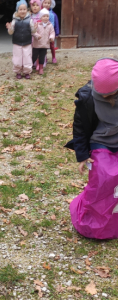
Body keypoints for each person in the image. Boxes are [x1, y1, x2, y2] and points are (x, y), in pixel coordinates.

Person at [65, 58, 118, 239]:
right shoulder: (87, 98)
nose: (105, 98)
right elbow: (80, 129)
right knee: (103, 176)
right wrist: (81, 156)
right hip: (100, 140)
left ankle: (113, 219)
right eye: (102, 94)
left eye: (110, 94)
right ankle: (88, 216)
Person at [6, 0, 37, 79]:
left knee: (27, 57)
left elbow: (32, 31)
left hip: (27, 42)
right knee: (17, 58)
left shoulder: (29, 20)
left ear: (27, 10)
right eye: (20, 9)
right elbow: (11, 32)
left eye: (24, 9)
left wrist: (34, 28)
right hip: (17, 43)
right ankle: (18, 71)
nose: (22, 11)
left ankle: (27, 72)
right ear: (17, 10)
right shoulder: (14, 21)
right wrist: (10, 28)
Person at [32, 8, 55, 75]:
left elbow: (52, 32)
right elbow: (33, 32)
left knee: (42, 56)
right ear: (41, 17)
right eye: (44, 16)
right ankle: (30, 66)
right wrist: (37, 36)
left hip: (45, 44)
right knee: (34, 56)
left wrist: (51, 37)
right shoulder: (37, 24)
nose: (45, 18)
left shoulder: (50, 25)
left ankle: (41, 68)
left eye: (47, 16)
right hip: (37, 44)